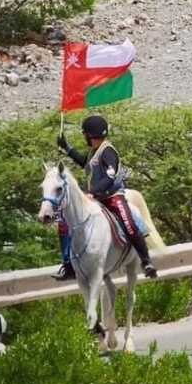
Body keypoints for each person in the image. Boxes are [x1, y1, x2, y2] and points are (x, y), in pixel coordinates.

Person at [56, 115, 157, 279]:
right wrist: (67, 148)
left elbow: (109, 177)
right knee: (64, 224)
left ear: (89, 134)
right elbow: (85, 163)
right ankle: (68, 264)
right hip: (95, 199)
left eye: (84, 134)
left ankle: (146, 261)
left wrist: (93, 192)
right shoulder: (94, 152)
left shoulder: (108, 151)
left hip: (112, 197)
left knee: (129, 224)